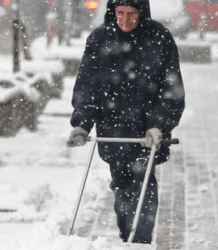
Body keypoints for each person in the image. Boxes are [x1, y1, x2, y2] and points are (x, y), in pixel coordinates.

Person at [66, 0, 185, 244]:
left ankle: (139, 241)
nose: (125, 19)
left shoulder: (159, 37)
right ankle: (128, 238)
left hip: (146, 133)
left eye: (131, 13)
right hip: (113, 130)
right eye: (120, 13)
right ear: (112, 11)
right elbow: (88, 87)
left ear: (142, 12)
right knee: (121, 186)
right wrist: (82, 124)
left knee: (142, 184)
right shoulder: (100, 39)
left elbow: (171, 90)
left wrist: (159, 125)